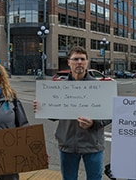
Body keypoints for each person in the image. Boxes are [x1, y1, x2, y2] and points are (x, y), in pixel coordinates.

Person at [33, 46, 110, 180]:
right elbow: (54, 114)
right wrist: (42, 108)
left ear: (87, 62)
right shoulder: (60, 87)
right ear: (69, 62)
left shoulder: (99, 87)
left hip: (93, 144)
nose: (79, 62)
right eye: (75, 59)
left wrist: (94, 123)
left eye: (82, 59)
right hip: (68, 144)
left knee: (95, 178)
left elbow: (110, 114)